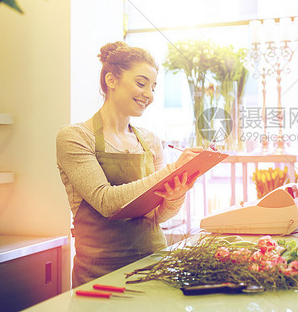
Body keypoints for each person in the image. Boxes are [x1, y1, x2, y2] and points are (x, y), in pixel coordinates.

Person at [57, 41, 202, 287]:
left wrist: (175, 196)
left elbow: (158, 216)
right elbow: (106, 202)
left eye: (153, 87)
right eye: (141, 83)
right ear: (112, 80)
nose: (149, 94)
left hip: (154, 266)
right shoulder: (75, 137)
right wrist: (171, 170)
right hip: (99, 275)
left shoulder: (150, 140)